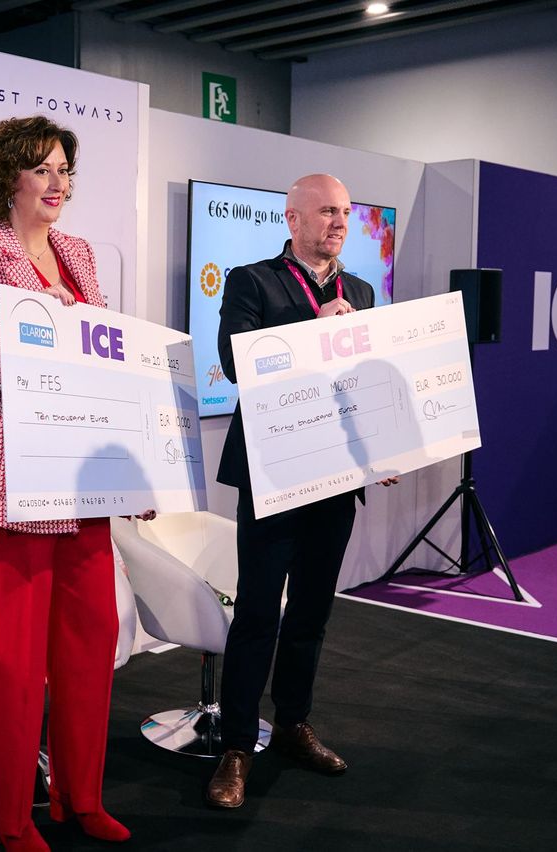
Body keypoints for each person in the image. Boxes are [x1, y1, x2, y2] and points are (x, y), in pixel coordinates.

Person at [0, 116, 153, 852]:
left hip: (83, 483)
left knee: (91, 647)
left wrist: (133, 469)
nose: (58, 182)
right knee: (14, 667)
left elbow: (104, 367)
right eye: (43, 168)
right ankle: (9, 819)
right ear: (9, 177)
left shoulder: (80, 254)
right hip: (13, 491)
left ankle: (80, 799)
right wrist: (30, 344)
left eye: (66, 169)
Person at [208, 173, 397, 809]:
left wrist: (384, 446)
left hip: (336, 477)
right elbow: (236, 363)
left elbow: (367, 381)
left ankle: (292, 724)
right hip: (273, 474)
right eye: (326, 212)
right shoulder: (251, 281)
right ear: (292, 219)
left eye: (344, 212)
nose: (339, 222)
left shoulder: (362, 291)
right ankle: (237, 746)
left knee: (311, 612)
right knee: (258, 613)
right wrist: (315, 329)